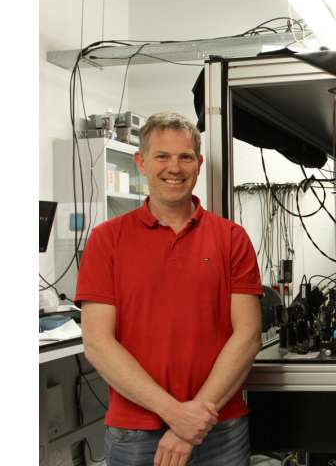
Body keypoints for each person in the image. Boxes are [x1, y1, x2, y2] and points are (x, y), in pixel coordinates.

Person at [76, 112, 263, 466]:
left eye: (185, 157)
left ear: (199, 164)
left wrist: (192, 421)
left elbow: (248, 335)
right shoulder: (106, 240)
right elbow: (98, 342)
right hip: (136, 431)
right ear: (141, 162)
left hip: (219, 427)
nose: (174, 168)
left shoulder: (231, 238)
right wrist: (177, 415)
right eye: (162, 156)